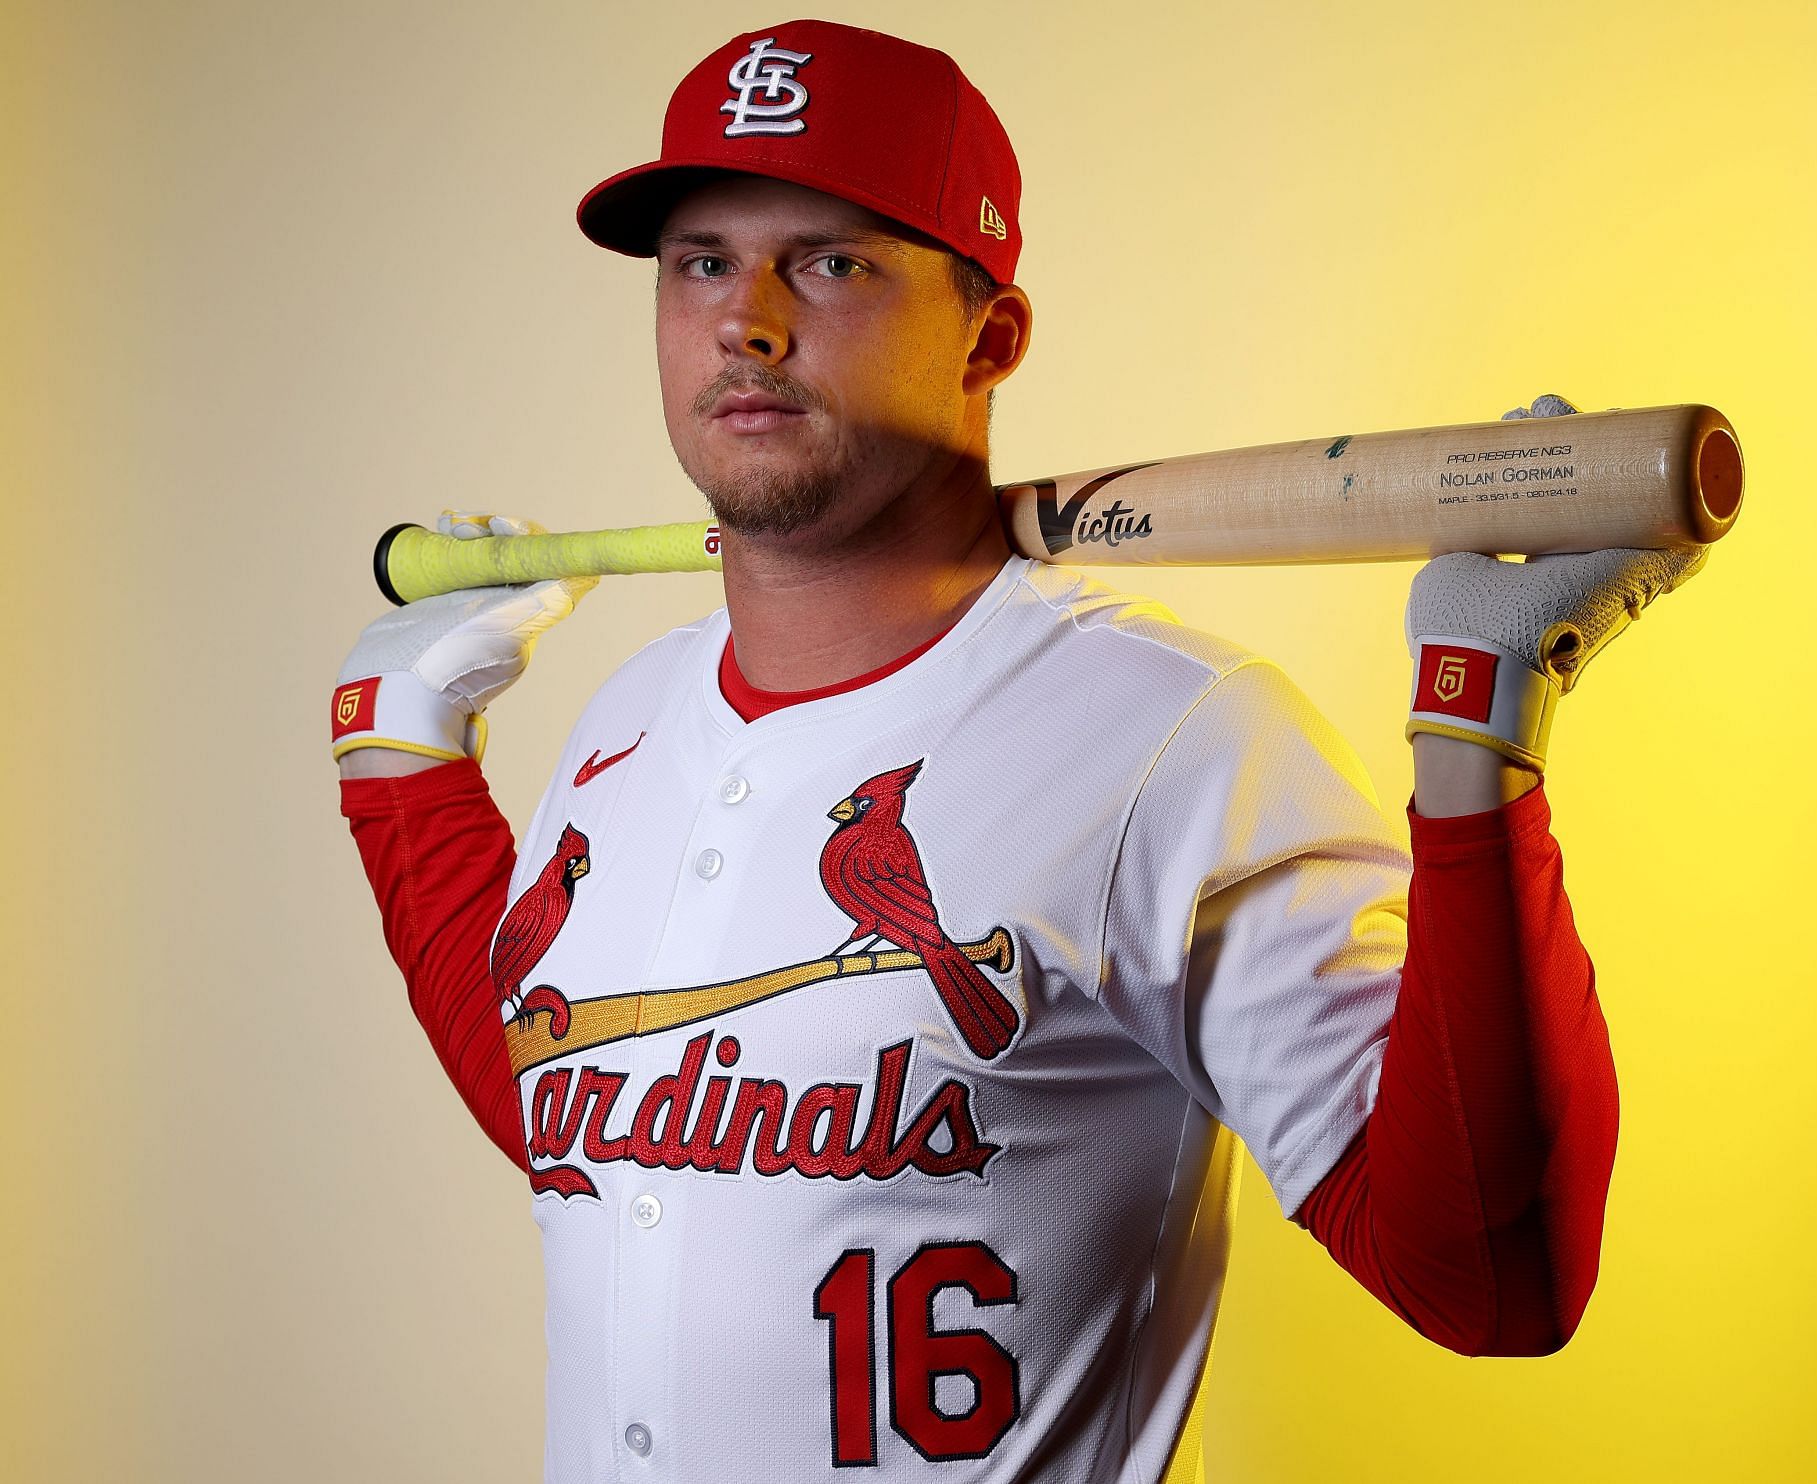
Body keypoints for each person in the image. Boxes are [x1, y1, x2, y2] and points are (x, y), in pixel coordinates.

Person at [332, 19, 1704, 1482]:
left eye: (833, 261)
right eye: (703, 261)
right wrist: (401, 764)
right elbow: (580, 1121)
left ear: (992, 338)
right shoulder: (628, 715)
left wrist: (1474, 723)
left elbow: (1489, 1281)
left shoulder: (1169, 734)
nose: (748, 320)